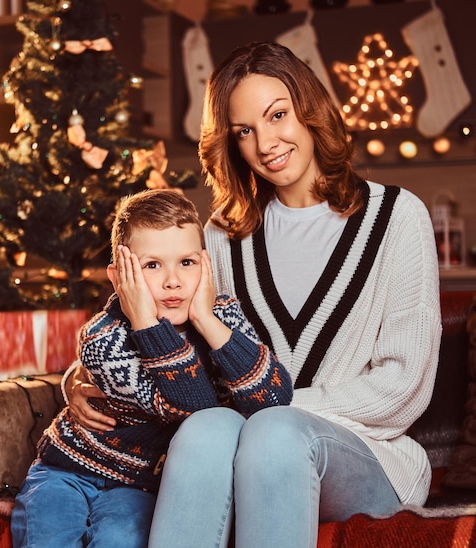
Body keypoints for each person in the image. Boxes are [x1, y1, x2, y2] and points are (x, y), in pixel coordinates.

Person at [67, 41, 442, 548]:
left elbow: (403, 388)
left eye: (278, 115)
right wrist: (80, 376)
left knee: (272, 434)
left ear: (310, 110)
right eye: (245, 131)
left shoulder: (398, 217)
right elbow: (157, 318)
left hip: (373, 455)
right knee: (204, 430)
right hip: (249, 441)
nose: (266, 143)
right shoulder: (223, 234)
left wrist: (274, 409)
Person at [10, 188, 293, 548]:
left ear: (206, 265)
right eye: (152, 265)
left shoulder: (223, 318)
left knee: (119, 539)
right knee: (49, 539)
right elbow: (190, 408)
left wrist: (206, 319)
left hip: (138, 486)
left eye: (187, 263)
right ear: (119, 278)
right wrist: (144, 320)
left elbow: (273, 398)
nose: (172, 281)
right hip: (67, 470)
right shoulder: (104, 336)